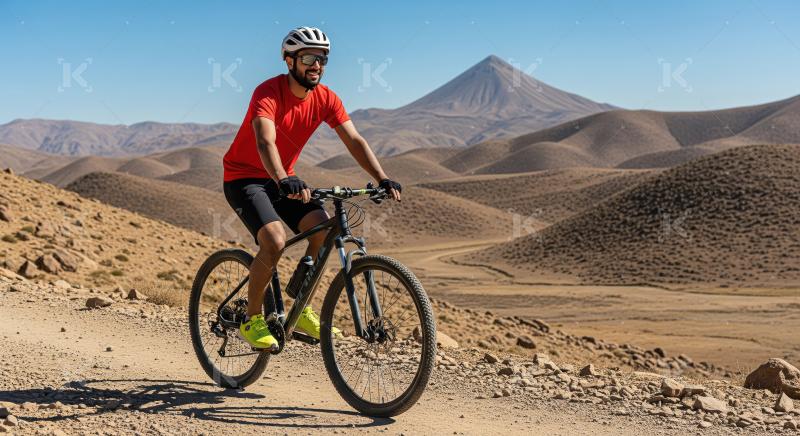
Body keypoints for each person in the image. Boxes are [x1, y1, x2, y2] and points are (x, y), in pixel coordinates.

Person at [222, 26, 402, 351]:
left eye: (322, 58)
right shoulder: (268, 92)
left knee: (321, 230)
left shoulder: (326, 99)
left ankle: (299, 305)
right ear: (290, 61)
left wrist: (381, 177)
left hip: (282, 178)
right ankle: (251, 319)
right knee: (274, 240)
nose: (316, 65)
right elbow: (265, 141)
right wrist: (282, 178)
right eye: (308, 57)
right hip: (244, 178)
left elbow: (354, 140)